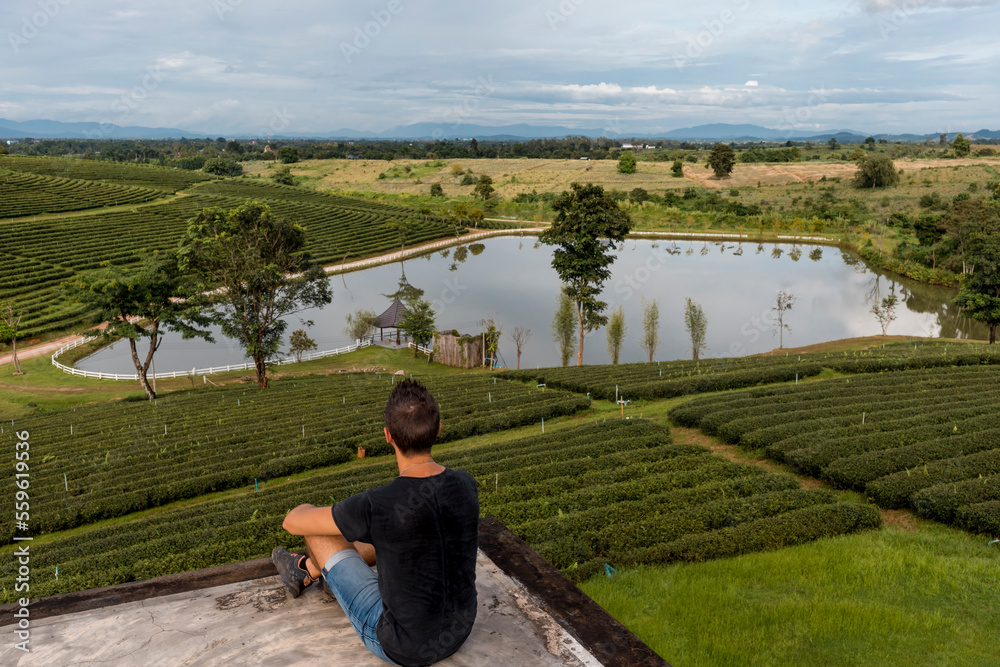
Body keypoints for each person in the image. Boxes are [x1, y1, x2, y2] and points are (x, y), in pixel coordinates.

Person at [273, 379, 480, 666]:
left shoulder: (377, 505)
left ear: (387, 435)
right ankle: (311, 570)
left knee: (322, 534)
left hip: (401, 646)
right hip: (460, 631)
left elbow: (293, 523)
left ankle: (306, 569)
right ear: (438, 430)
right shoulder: (466, 484)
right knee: (397, 533)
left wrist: (307, 507)